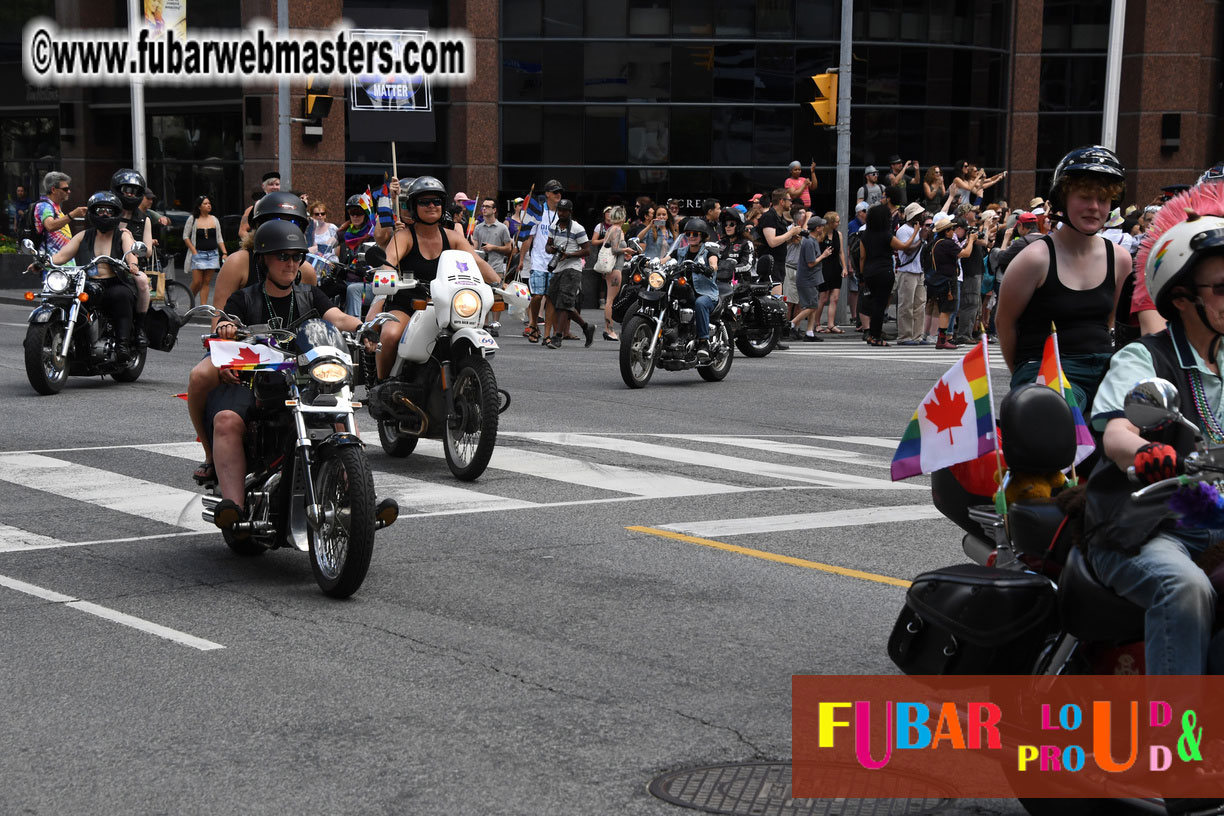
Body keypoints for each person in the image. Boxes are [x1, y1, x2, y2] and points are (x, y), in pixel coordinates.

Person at [1081, 208, 1224, 675]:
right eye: (1221, 288)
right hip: (1152, 524)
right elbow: (1119, 429)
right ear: (1181, 298)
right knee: (1184, 588)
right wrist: (1144, 452)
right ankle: (1175, 741)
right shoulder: (1146, 358)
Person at [205, 220, 369, 530]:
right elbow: (223, 323)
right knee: (226, 419)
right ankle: (235, 509)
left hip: (303, 380)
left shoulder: (309, 294)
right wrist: (225, 329)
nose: (291, 263)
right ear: (263, 260)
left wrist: (364, 326)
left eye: (297, 257)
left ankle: (358, 499)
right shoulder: (246, 298)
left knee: (340, 412)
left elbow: (337, 317)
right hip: (254, 382)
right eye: (283, 256)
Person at [995, 145, 1132, 416]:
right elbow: (1005, 322)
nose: (1094, 207)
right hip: (1047, 369)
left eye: (1103, 199)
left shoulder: (1120, 259)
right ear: (1063, 199)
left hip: (1105, 368)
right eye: (1084, 196)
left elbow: (1110, 323)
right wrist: (1026, 375)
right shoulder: (1034, 259)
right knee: (1058, 417)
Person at [368, 176, 499, 378]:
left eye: (436, 201)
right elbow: (390, 259)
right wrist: (386, 274)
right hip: (408, 304)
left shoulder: (453, 237)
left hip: (446, 306)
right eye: (424, 202)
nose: (431, 206)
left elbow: (477, 262)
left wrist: (501, 285)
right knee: (390, 335)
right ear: (413, 206)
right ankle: (382, 383)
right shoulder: (404, 236)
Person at [42, 191, 140, 359]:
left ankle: (123, 345)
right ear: (92, 213)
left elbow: (131, 254)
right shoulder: (83, 235)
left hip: (113, 283)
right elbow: (61, 256)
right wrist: (42, 262)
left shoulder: (122, 235)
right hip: (87, 283)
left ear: (116, 213)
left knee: (122, 296)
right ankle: (46, 336)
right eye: (100, 210)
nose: (104, 214)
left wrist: (132, 265)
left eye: (108, 211)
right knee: (61, 297)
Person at [858, 203, 920, 347]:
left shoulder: (865, 235)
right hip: (884, 271)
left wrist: (862, 275)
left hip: (869, 272)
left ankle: (871, 334)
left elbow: (862, 257)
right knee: (881, 305)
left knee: (874, 303)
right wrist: (915, 232)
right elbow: (904, 246)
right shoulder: (886, 235)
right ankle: (876, 336)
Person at [542, 199, 595, 348]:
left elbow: (587, 250)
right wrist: (552, 250)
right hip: (558, 267)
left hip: (573, 267)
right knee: (555, 300)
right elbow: (547, 245)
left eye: (564, 211)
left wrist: (569, 254)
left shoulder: (578, 228)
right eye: (559, 210)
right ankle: (586, 327)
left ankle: (558, 336)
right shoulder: (554, 226)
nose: (561, 213)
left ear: (570, 212)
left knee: (564, 302)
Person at [110, 169, 154, 347]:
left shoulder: (144, 220)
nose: (129, 194)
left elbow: (148, 250)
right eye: (126, 190)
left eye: (134, 191)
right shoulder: (108, 215)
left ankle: (140, 326)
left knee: (143, 282)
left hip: (131, 268)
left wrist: (133, 244)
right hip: (106, 263)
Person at [518, 179, 563, 342]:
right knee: (537, 296)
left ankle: (546, 334)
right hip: (537, 260)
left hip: (554, 263)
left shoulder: (561, 214)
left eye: (560, 192)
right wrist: (522, 259)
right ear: (547, 194)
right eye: (555, 191)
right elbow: (529, 238)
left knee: (550, 299)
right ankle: (534, 324)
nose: (558, 194)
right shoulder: (538, 212)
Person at [673, 218, 721, 360]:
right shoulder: (680, 252)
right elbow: (664, 260)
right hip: (685, 292)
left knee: (700, 303)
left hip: (706, 293)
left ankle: (703, 342)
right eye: (688, 234)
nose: (691, 237)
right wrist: (649, 263)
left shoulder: (708, 251)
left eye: (695, 234)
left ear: (703, 236)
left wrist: (708, 268)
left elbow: (714, 264)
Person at [927, 213, 972, 349]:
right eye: (951, 229)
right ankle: (942, 339)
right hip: (947, 281)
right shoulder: (947, 243)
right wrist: (971, 240)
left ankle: (942, 338)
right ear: (946, 231)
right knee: (946, 310)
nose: (953, 232)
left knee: (944, 309)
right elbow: (965, 254)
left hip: (937, 279)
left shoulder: (935, 243)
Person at [789, 218, 833, 341]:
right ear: (817, 228)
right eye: (821, 226)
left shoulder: (810, 240)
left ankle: (809, 332)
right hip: (808, 278)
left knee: (812, 305)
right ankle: (791, 324)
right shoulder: (809, 242)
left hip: (812, 278)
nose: (823, 228)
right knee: (812, 306)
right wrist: (824, 255)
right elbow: (811, 263)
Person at [183, 195, 228, 310]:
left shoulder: (214, 219)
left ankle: (203, 306)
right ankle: (191, 300)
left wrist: (224, 252)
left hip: (212, 254)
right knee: (197, 281)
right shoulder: (193, 219)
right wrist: (193, 251)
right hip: (198, 253)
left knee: (206, 282)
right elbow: (185, 236)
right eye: (205, 203)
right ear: (199, 206)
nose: (208, 205)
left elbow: (219, 238)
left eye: (209, 203)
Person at [894, 202, 928, 345]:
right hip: (907, 271)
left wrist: (925, 236)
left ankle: (917, 335)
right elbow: (907, 249)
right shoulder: (903, 230)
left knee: (920, 304)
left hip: (919, 271)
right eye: (920, 214)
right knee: (906, 305)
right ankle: (905, 335)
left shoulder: (919, 229)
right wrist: (920, 238)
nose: (923, 216)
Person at [34, 171, 85, 258]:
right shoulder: (44, 206)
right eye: (65, 189)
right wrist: (73, 214)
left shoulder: (55, 206)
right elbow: (50, 226)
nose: (68, 191)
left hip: (61, 263)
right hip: (52, 264)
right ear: (53, 190)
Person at [598, 206, 627, 340]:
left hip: (611, 268)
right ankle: (609, 330)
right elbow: (615, 249)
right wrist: (627, 249)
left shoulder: (610, 229)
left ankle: (608, 329)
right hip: (615, 269)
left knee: (610, 300)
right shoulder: (617, 230)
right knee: (610, 301)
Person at [238, 172, 281, 239]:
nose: (274, 187)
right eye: (271, 184)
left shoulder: (283, 205)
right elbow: (242, 231)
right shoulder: (254, 208)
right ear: (263, 186)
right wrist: (256, 243)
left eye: (277, 184)